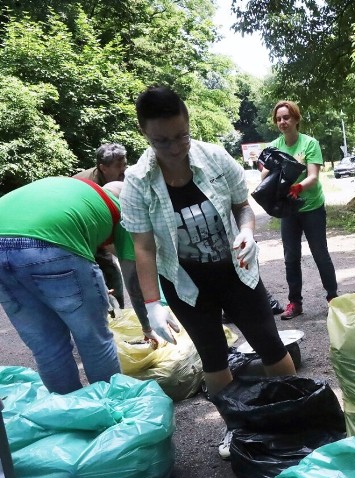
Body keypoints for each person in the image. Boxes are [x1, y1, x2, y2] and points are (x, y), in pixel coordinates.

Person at [120, 86, 296, 418]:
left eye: (180, 136)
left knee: (270, 345)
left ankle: (294, 412)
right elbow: (142, 247)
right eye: (161, 141)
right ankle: (236, 426)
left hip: (235, 271)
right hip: (185, 282)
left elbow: (242, 207)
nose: (173, 148)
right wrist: (152, 304)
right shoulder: (138, 181)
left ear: (188, 123)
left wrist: (246, 230)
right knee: (213, 358)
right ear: (144, 132)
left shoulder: (214, 157)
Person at [0, 177, 148, 394]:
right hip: (49, 244)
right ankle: (110, 408)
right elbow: (132, 278)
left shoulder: (75, 189)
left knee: (47, 348)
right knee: (94, 340)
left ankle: (72, 416)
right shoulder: (121, 210)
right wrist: (147, 324)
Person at [263, 100, 338, 320]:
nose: (282, 122)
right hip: (289, 210)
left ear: (296, 119)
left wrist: (297, 186)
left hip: (311, 206)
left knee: (320, 253)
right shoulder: (274, 146)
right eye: (278, 119)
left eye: (286, 117)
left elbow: (313, 177)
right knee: (291, 257)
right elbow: (264, 176)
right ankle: (295, 303)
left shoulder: (309, 144)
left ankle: (333, 297)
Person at [73, 142, 129, 307]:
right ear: (103, 168)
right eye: (119, 166)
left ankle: (120, 312)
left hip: (96, 224)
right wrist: (130, 257)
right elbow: (105, 239)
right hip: (76, 229)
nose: (124, 169)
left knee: (111, 267)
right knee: (100, 266)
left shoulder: (124, 176)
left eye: (125, 164)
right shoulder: (86, 185)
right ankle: (104, 312)